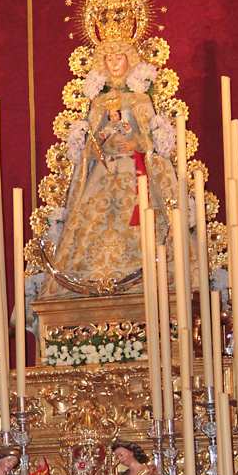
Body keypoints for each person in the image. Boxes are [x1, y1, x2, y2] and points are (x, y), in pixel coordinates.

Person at [41, 39, 178, 296]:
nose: (114, 63)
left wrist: (135, 143)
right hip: (104, 173)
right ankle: (89, 286)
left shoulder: (140, 100)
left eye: (119, 57)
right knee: (90, 228)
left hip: (133, 171)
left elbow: (151, 142)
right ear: (101, 64)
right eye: (109, 59)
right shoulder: (98, 105)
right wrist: (98, 140)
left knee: (141, 224)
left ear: (130, 60)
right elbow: (90, 148)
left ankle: (144, 284)